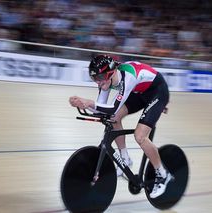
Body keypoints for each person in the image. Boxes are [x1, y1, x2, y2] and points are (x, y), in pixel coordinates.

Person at [69, 55, 171, 198]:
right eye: (94, 78)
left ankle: (163, 174)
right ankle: (124, 159)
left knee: (140, 136)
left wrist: (89, 103)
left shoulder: (127, 76)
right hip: (139, 92)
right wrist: (83, 104)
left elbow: (111, 108)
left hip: (157, 91)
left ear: (110, 73)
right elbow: (102, 110)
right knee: (113, 119)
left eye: (99, 77)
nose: (98, 82)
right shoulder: (106, 81)